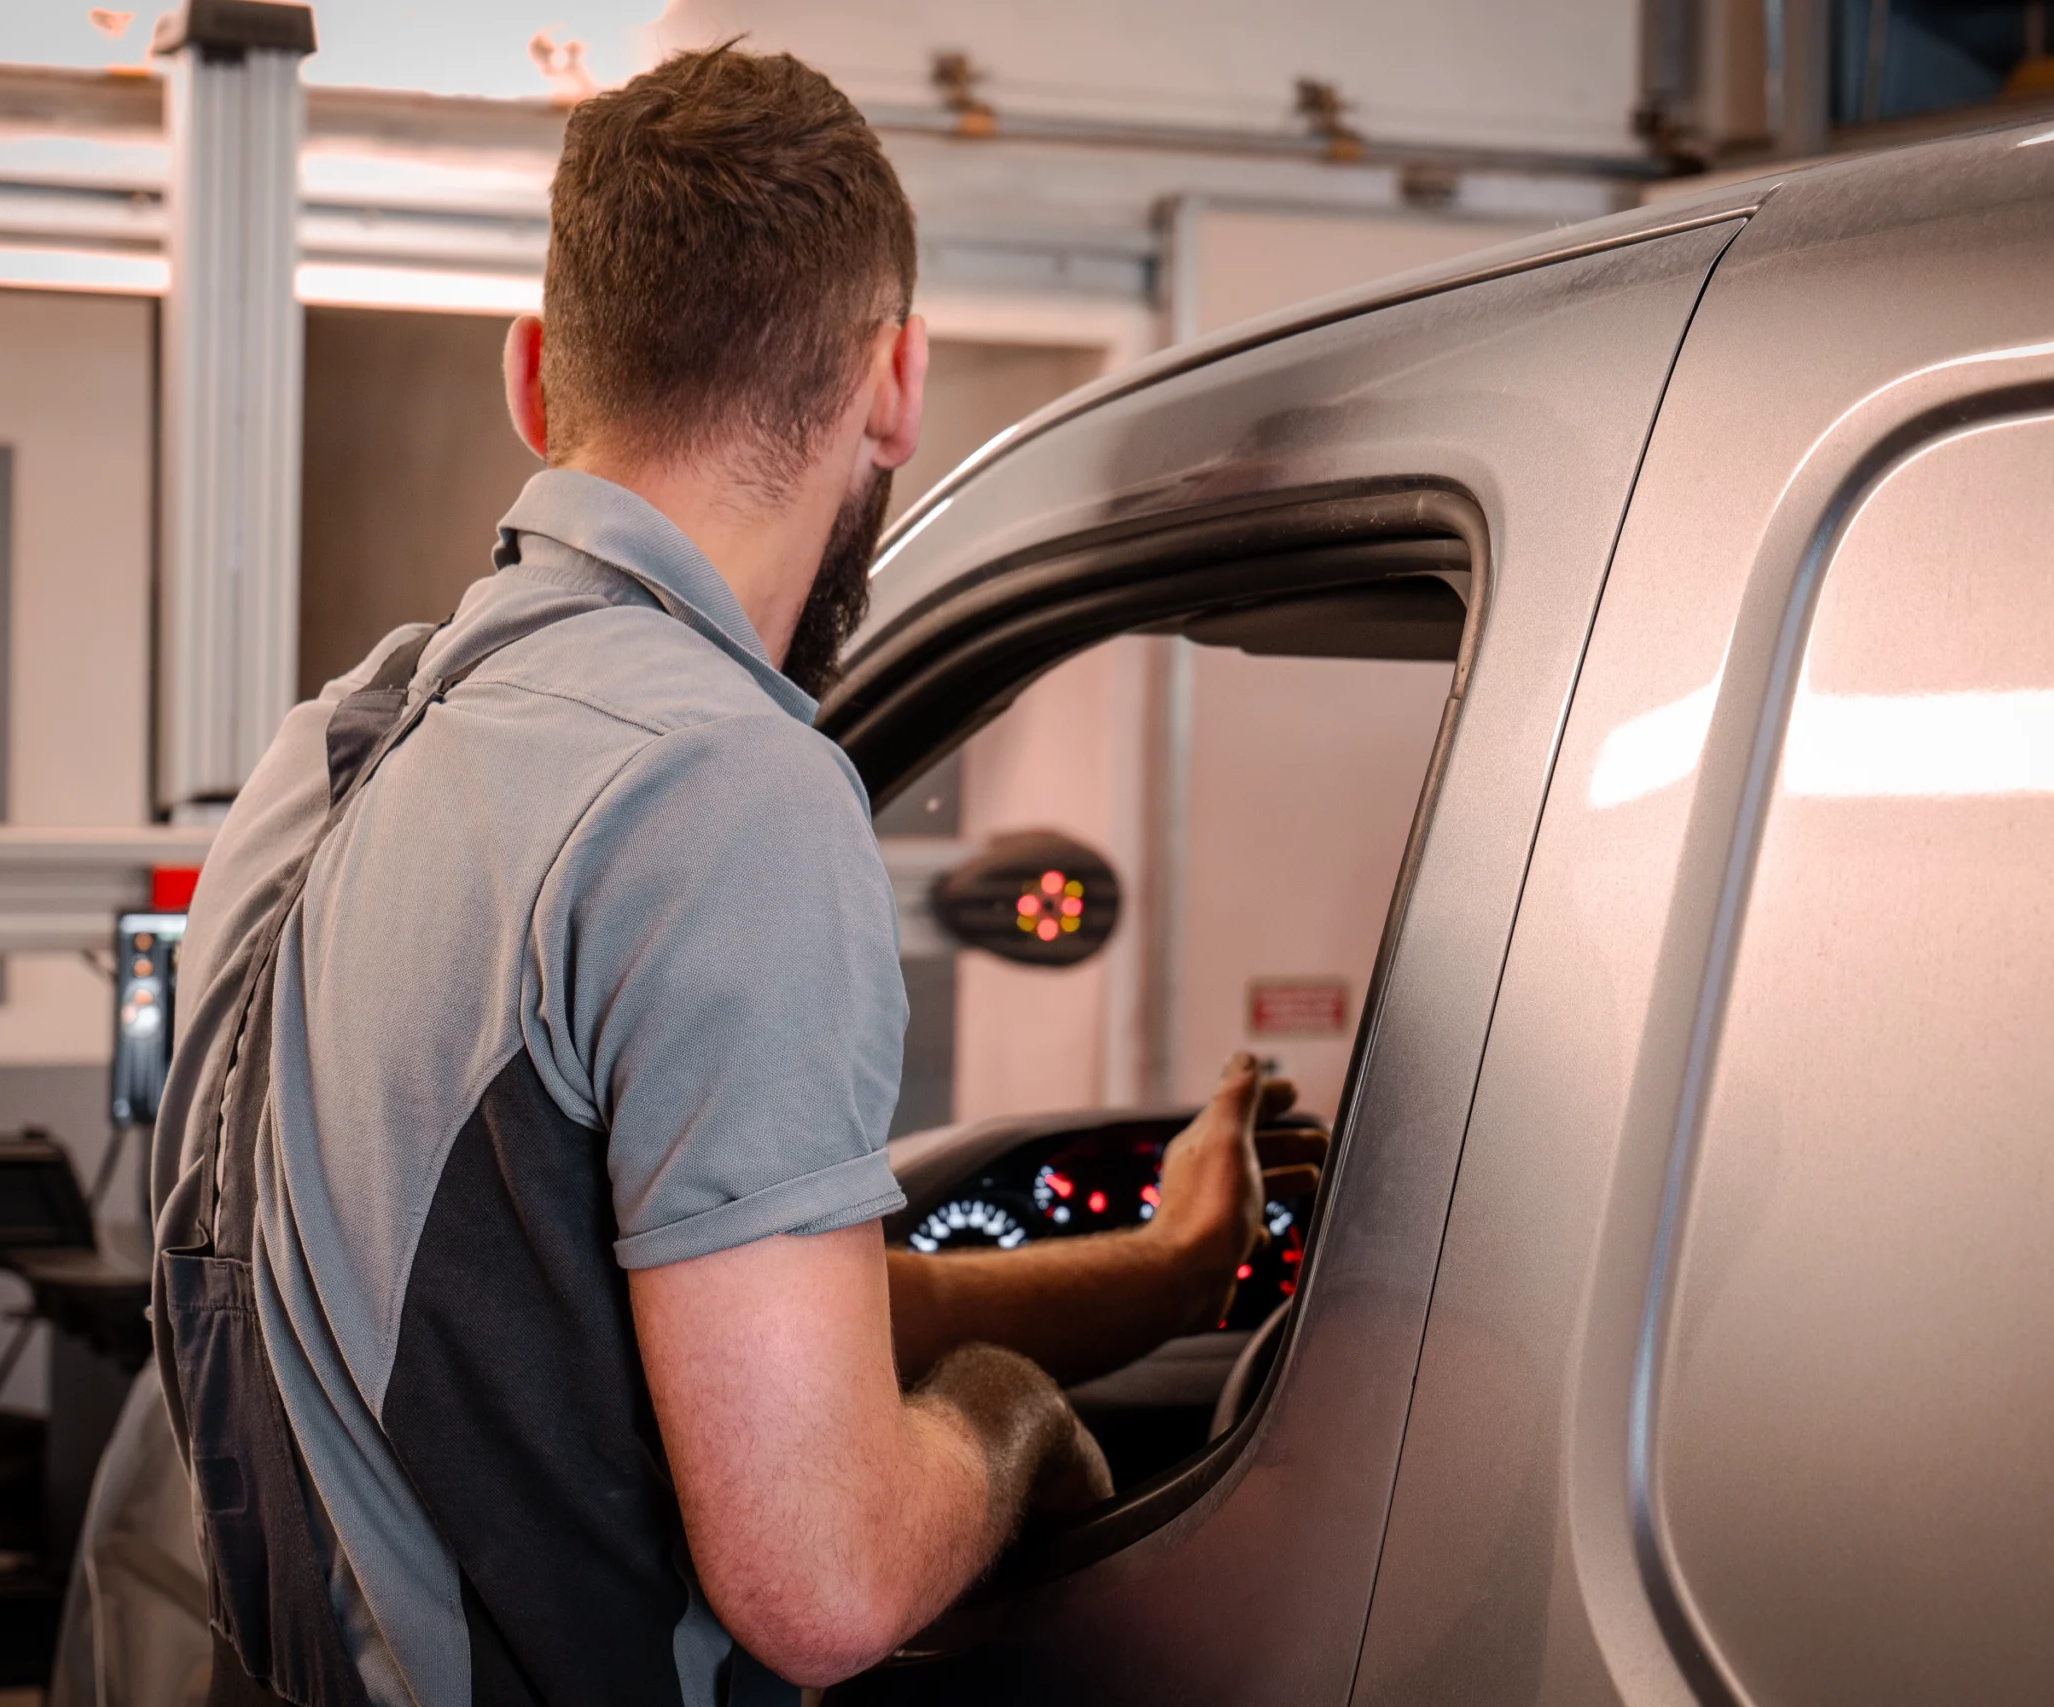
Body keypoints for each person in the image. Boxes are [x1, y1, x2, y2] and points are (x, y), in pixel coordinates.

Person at [141, 44, 1317, 1707]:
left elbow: (714, 1334)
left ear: (535, 379)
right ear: (897, 383)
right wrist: (1011, 1415)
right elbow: (821, 1577)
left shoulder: (325, 759)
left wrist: (1175, 1275)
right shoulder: (727, 791)